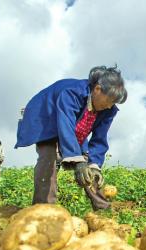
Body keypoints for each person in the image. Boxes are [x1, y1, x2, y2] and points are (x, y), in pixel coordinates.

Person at [15, 65, 127, 209]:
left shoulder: (108, 110)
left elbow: (99, 139)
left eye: (113, 103)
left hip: (74, 130)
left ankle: (102, 208)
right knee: (49, 157)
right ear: (97, 89)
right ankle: (44, 208)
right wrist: (77, 160)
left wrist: (94, 165)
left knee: (89, 169)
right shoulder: (71, 93)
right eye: (109, 101)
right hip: (47, 122)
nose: (109, 106)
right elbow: (65, 124)